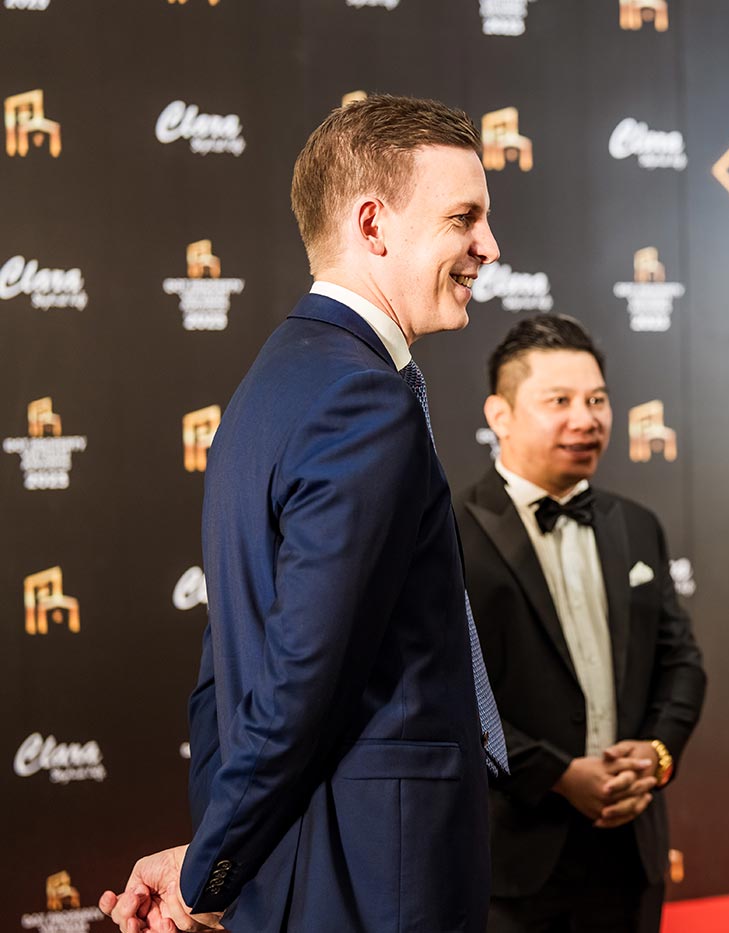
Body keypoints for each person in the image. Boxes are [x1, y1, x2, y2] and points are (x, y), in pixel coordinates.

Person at [99, 95, 505, 933]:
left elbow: (228, 665)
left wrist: (218, 855)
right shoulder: (365, 399)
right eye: (465, 218)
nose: (489, 247)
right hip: (379, 885)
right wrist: (211, 872)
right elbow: (301, 674)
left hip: (297, 875)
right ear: (373, 224)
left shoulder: (269, 385)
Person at [457, 314, 706, 932]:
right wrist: (560, 776)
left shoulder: (637, 525)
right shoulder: (449, 533)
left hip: (629, 853)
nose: (586, 419)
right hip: (508, 860)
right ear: (500, 415)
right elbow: (447, 691)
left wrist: (656, 755)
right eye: (559, 401)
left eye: (597, 400)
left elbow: (681, 662)